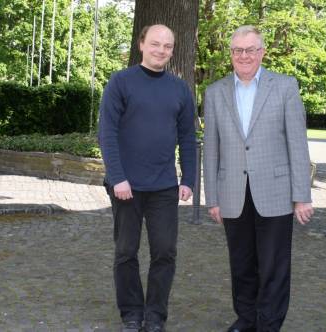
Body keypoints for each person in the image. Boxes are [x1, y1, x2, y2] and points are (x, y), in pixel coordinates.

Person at [203, 25, 314, 332]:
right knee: (241, 265)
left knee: (274, 267)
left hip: (276, 191)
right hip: (232, 193)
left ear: (262, 52)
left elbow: (297, 143)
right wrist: (212, 198)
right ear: (231, 54)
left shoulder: (285, 87)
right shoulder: (214, 93)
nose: (244, 56)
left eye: (250, 50)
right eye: (237, 50)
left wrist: (302, 195)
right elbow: (211, 149)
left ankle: (269, 324)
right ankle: (246, 318)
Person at [98, 24, 196, 332]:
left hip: (165, 187)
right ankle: (131, 314)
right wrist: (117, 178)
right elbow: (107, 133)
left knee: (165, 252)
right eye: (155, 44)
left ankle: (155, 317)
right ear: (142, 44)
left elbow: (188, 138)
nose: (161, 50)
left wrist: (189, 178)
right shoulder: (120, 82)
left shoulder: (180, 89)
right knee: (126, 252)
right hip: (126, 186)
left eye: (167, 46)